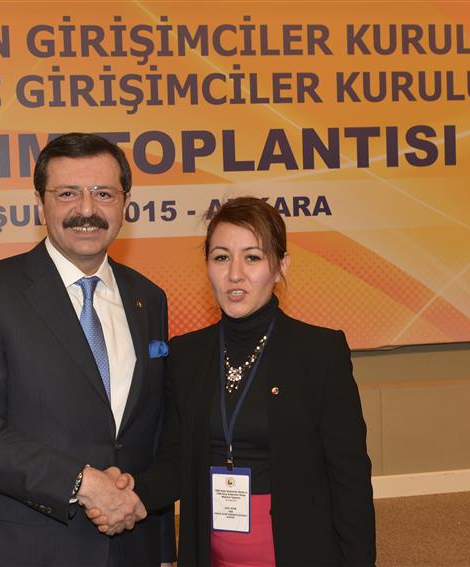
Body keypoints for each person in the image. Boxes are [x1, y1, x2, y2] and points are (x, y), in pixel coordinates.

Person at [90, 197, 376, 566]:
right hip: (212, 553)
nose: (235, 274)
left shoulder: (319, 353)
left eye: (252, 257)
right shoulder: (187, 355)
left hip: (297, 550)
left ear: (281, 266)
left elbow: (350, 477)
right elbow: (177, 458)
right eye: (221, 257)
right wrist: (133, 491)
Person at [0, 133, 175, 567]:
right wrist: (80, 482)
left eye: (103, 193)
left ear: (125, 203)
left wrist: (161, 548)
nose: (86, 209)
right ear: (40, 203)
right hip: (28, 547)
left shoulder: (148, 297)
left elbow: (153, 432)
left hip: (130, 542)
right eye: (67, 193)